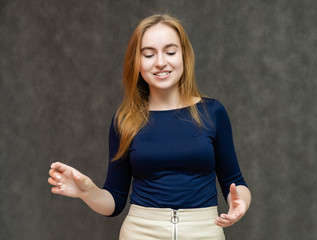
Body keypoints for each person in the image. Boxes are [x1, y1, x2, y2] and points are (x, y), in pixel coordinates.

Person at [48, 14, 251, 240]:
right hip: (140, 233)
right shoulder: (125, 120)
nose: (160, 62)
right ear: (137, 62)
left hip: (204, 232)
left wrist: (241, 203)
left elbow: (235, 183)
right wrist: (87, 191)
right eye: (148, 54)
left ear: (184, 56)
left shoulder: (213, 113)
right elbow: (114, 202)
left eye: (170, 52)